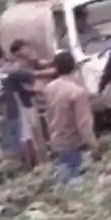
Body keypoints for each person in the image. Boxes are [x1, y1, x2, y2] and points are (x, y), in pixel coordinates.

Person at [43, 51, 99, 182]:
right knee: (75, 182)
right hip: (72, 142)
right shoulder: (77, 92)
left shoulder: (49, 88)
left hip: (56, 140)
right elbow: (83, 124)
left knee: (64, 178)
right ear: (74, 66)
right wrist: (94, 147)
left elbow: (48, 114)